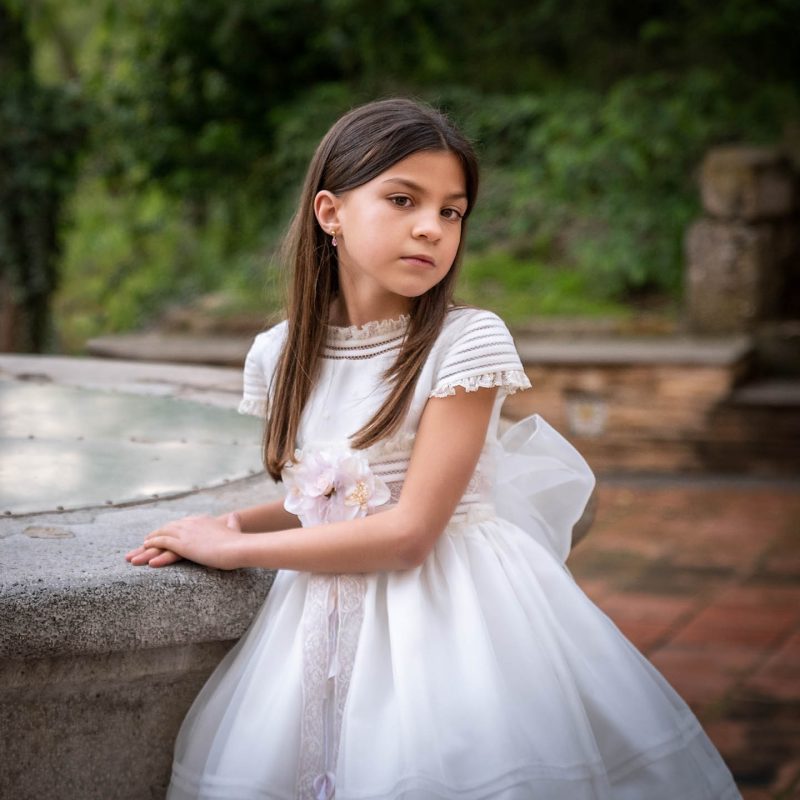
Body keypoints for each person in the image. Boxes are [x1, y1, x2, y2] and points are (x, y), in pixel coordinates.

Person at [126, 98, 740, 800]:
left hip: (448, 617)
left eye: (452, 211)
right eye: (403, 199)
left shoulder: (465, 342)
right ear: (330, 212)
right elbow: (331, 498)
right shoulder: (280, 352)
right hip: (317, 617)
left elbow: (409, 533)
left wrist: (237, 551)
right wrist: (236, 521)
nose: (431, 227)